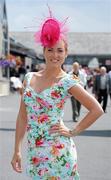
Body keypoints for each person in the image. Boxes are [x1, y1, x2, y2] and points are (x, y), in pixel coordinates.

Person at [11, 10, 103, 180]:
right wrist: (17, 149)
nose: (55, 55)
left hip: (59, 153)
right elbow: (23, 116)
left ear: (66, 54)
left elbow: (96, 109)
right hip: (35, 152)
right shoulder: (29, 78)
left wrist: (74, 131)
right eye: (50, 50)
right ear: (44, 51)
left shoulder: (67, 82)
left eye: (60, 50)